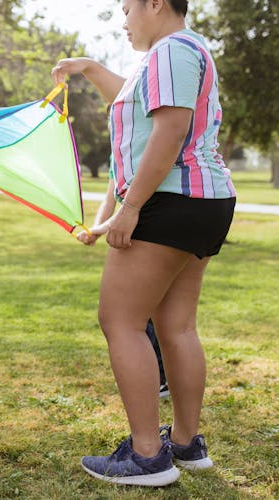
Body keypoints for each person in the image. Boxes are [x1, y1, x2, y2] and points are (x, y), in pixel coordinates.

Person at [53, 0, 235, 487]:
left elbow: (170, 130)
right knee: (176, 326)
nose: (124, 19)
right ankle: (184, 444)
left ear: (155, 3)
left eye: (128, 8)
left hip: (168, 200)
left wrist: (128, 209)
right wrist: (90, 68)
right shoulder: (180, 52)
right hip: (201, 200)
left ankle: (147, 456)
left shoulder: (170, 50)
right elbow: (132, 102)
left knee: (120, 321)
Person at [78, 179, 169, 398]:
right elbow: (111, 197)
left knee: (134, 318)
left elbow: (133, 200)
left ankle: (157, 378)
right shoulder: (117, 152)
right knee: (163, 320)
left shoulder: (133, 147)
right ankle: (155, 378)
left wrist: (103, 227)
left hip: (150, 222)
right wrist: (96, 228)